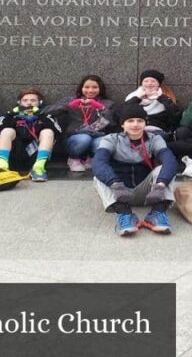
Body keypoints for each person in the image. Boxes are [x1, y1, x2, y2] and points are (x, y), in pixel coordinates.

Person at [92, 103, 180, 236]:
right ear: (123, 124)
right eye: (130, 121)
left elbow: (169, 160)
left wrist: (161, 184)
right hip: (119, 191)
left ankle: (157, 213)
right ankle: (125, 214)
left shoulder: (155, 138)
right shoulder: (111, 139)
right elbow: (98, 162)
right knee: (98, 176)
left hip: (149, 193)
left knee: (166, 169)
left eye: (140, 120)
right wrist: (114, 183)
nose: (135, 124)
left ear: (145, 123)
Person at [47, 75, 115, 174]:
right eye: (87, 87)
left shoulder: (108, 103)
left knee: (103, 143)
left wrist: (102, 108)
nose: (90, 90)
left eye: (95, 87)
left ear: (100, 89)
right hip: (74, 137)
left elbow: (113, 122)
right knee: (84, 138)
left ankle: (91, 158)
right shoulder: (70, 100)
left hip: (97, 136)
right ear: (81, 88)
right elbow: (47, 112)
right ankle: (73, 158)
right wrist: (68, 106)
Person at [0, 88, 62, 182]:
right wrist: (10, 114)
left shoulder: (46, 115)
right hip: (14, 154)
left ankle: (38, 168)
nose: (29, 103)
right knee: (7, 131)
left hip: (36, 155)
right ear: (19, 102)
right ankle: (2, 167)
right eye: (25, 100)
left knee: (48, 132)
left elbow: (58, 132)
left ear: (39, 102)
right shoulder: (10, 115)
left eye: (33, 100)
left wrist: (40, 115)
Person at [123, 69, 181, 136]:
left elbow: (176, 116)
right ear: (142, 83)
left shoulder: (167, 97)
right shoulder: (132, 97)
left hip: (158, 132)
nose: (149, 83)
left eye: (153, 81)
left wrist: (161, 98)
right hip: (135, 132)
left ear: (158, 84)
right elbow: (123, 111)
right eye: (146, 81)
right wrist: (138, 98)